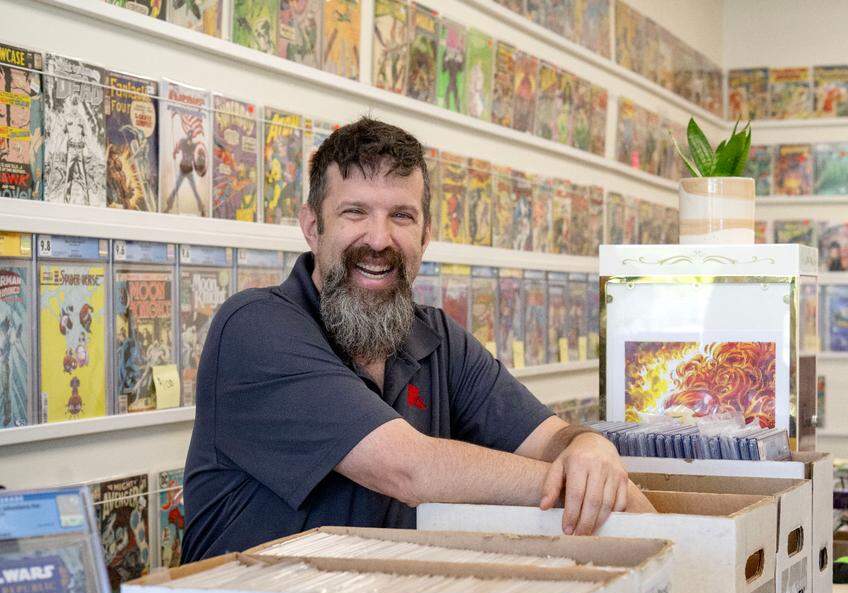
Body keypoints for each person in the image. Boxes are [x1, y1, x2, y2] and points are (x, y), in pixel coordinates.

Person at [181, 118, 652, 562]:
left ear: (425, 235)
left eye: (401, 216)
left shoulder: (438, 338)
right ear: (312, 228)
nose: (379, 238)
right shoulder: (254, 328)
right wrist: (586, 487)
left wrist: (590, 448)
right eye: (355, 212)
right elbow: (410, 469)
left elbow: (550, 437)